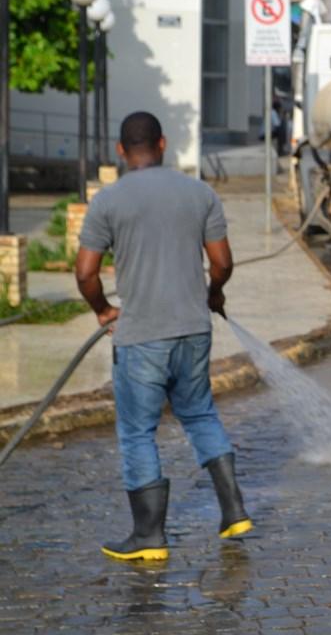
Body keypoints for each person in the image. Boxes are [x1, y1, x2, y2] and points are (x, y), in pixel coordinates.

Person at [75, 111, 253, 561]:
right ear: (162, 144)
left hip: (141, 337)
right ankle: (234, 512)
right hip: (194, 330)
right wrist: (214, 295)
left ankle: (149, 537)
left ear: (121, 151)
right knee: (200, 414)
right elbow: (223, 262)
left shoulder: (108, 201)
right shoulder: (199, 193)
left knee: (138, 432)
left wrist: (102, 310)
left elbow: (85, 272)